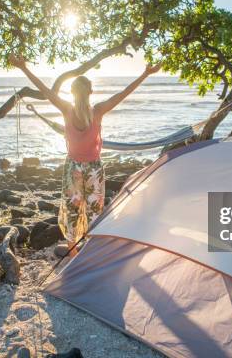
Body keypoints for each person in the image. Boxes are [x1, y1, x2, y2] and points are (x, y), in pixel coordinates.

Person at [9, 54, 161, 256]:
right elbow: (124, 93)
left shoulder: (66, 109)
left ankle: (73, 256)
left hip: (73, 168)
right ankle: (90, 254)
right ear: (91, 91)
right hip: (93, 169)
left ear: (71, 92)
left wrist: (23, 67)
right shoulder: (98, 110)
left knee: (73, 212)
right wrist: (145, 73)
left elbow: (44, 89)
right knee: (94, 213)